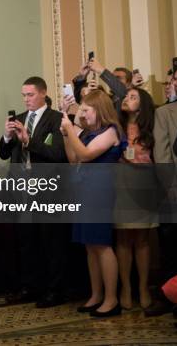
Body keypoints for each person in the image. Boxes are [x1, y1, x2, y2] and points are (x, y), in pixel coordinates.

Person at [0, 76, 68, 308]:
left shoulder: (56, 119)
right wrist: (7, 136)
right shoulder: (18, 119)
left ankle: (54, 289)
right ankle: (31, 286)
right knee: (27, 241)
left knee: (51, 241)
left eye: (30, 95)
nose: (26, 99)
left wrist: (28, 141)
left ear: (43, 93)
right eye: (23, 95)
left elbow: (58, 154)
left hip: (48, 189)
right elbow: (3, 153)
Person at [60, 90, 126, 318]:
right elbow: (73, 159)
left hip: (101, 191)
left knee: (101, 244)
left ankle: (111, 299)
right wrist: (67, 135)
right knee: (90, 246)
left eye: (86, 110)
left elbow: (87, 155)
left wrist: (70, 129)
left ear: (99, 110)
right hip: (84, 190)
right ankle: (96, 294)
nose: (83, 114)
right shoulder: (88, 133)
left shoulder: (111, 131)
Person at [147, 63, 177, 316]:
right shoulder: (165, 112)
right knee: (173, 245)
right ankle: (170, 297)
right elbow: (161, 151)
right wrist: (169, 183)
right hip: (176, 187)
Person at [114, 87, 157, 310]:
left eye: (133, 97)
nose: (127, 99)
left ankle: (143, 287)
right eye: (126, 96)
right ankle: (126, 288)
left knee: (142, 240)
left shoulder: (151, 126)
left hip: (144, 186)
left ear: (142, 105)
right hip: (121, 185)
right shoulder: (116, 125)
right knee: (123, 240)